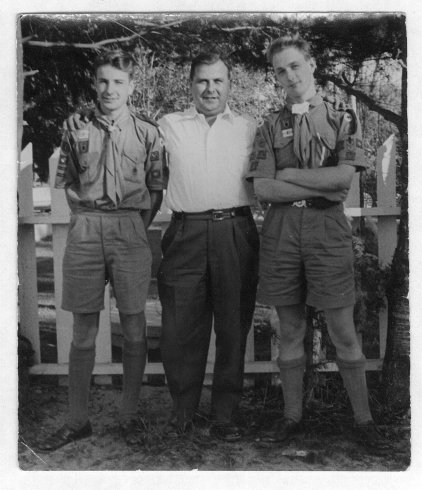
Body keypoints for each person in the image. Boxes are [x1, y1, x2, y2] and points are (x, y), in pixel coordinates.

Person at [246, 35, 390, 453]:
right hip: (282, 232)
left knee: (343, 329)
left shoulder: (343, 118)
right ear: (275, 78)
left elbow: (342, 181)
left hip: (327, 231)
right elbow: (264, 190)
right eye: (279, 71)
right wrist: (306, 183)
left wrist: (287, 176)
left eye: (294, 66)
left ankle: (363, 421)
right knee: (289, 328)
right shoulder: (270, 126)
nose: (289, 76)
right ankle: (293, 417)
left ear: (310, 65)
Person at [36, 49, 165, 451]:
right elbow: (68, 182)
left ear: (131, 86)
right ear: (95, 83)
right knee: (84, 332)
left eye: (119, 82)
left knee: (133, 324)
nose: (110, 89)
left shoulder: (148, 132)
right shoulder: (76, 127)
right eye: (103, 81)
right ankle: (77, 420)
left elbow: (156, 190)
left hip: (130, 227)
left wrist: (133, 226)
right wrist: (91, 217)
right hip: (87, 229)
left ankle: (128, 415)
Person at [156, 52, 259, 442]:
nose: (210, 88)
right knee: (181, 325)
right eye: (202, 80)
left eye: (218, 81)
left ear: (230, 86)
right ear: (191, 84)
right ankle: (183, 412)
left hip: (235, 230)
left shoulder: (249, 129)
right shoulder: (168, 125)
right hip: (186, 231)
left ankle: (225, 416)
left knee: (233, 324)